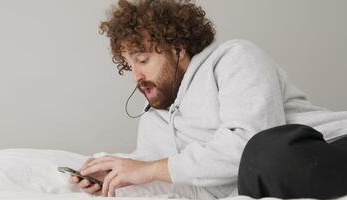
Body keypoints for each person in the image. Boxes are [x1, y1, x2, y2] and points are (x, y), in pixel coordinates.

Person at [69, 0, 347, 199]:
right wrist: (119, 180)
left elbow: (247, 142)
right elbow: (181, 181)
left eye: (143, 60)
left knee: (262, 153)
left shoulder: (235, 58)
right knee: (250, 171)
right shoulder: (155, 116)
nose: (136, 76)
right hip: (263, 178)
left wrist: (153, 169)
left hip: (328, 146)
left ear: (177, 48)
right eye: (129, 66)